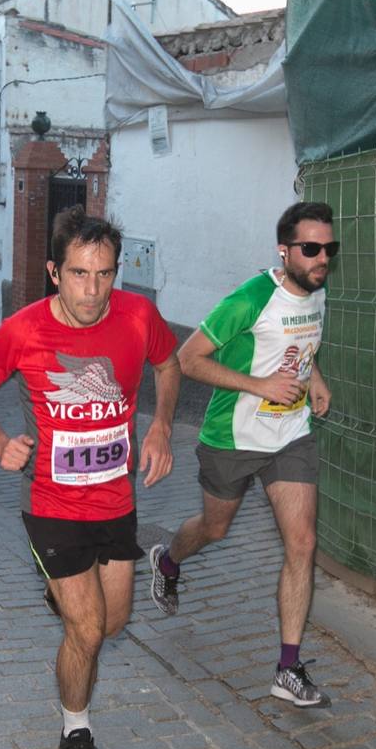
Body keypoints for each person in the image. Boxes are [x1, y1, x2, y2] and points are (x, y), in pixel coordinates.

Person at [0, 205, 180, 749]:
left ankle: (64, 594)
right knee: (85, 632)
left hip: (115, 501)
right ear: (55, 272)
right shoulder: (25, 329)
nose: (94, 289)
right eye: (81, 274)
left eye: (105, 273)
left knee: (113, 624)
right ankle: (75, 734)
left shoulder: (138, 316)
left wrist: (159, 426)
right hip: (52, 506)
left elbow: (169, 362)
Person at [148, 201, 336, 708]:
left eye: (329, 249)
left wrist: (313, 379)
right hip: (232, 437)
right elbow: (187, 360)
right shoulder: (252, 298)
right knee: (215, 528)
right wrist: (258, 385)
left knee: (302, 543)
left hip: (290, 436)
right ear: (285, 249)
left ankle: (288, 667)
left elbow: (304, 344)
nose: (322, 259)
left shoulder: (317, 293)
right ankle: (167, 560)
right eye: (311, 249)